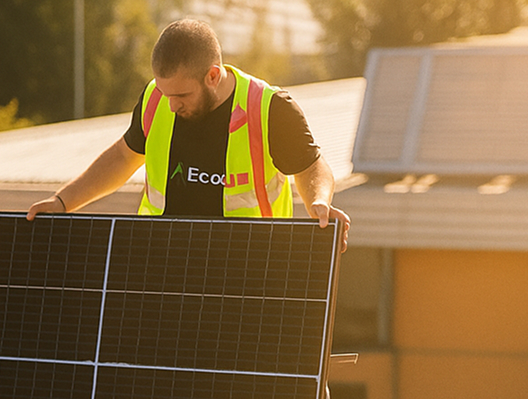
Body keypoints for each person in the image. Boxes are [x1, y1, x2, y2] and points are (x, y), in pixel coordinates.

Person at [27, 19, 350, 251]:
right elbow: (125, 156)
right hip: (163, 261)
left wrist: (319, 203)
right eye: (166, 93)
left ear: (212, 75)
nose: (172, 104)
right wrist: (63, 202)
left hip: (249, 267)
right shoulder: (158, 98)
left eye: (181, 95)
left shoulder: (270, 108)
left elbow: (311, 167)